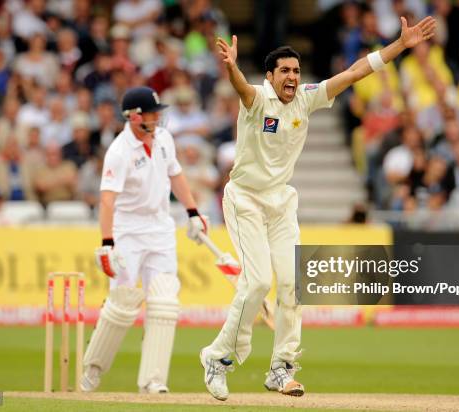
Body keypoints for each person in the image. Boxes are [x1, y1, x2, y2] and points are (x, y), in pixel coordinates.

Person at [200, 16, 436, 401]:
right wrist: (231, 68)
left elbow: (356, 71)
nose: (292, 77)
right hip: (244, 199)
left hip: (280, 202)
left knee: (293, 284)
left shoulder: (308, 96)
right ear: (270, 76)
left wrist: (399, 45)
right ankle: (217, 357)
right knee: (258, 282)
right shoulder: (258, 99)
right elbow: (241, 88)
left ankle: (282, 368)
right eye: (285, 71)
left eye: (295, 70)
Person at [81, 86, 207, 394]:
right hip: (127, 230)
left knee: (164, 303)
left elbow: (176, 176)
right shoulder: (119, 151)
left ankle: (153, 380)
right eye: (153, 113)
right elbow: (107, 200)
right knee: (122, 303)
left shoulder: (164, 139)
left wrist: (192, 212)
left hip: (160, 228)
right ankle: (92, 370)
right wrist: (107, 243)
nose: (158, 118)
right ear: (135, 117)